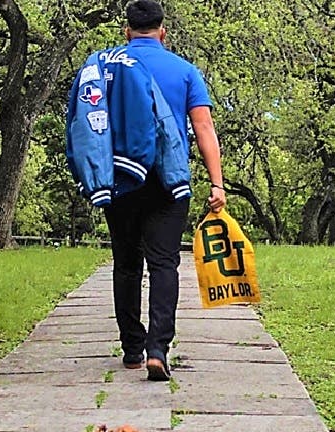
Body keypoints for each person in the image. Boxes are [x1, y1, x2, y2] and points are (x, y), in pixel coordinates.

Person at [102, 0, 226, 381]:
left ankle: (132, 349)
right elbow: (203, 129)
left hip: (121, 178)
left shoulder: (107, 68)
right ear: (163, 31)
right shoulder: (185, 71)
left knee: (125, 263)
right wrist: (217, 183)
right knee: (163, 263)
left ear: (126, 31)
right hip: (167, 181)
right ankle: (158, 349)